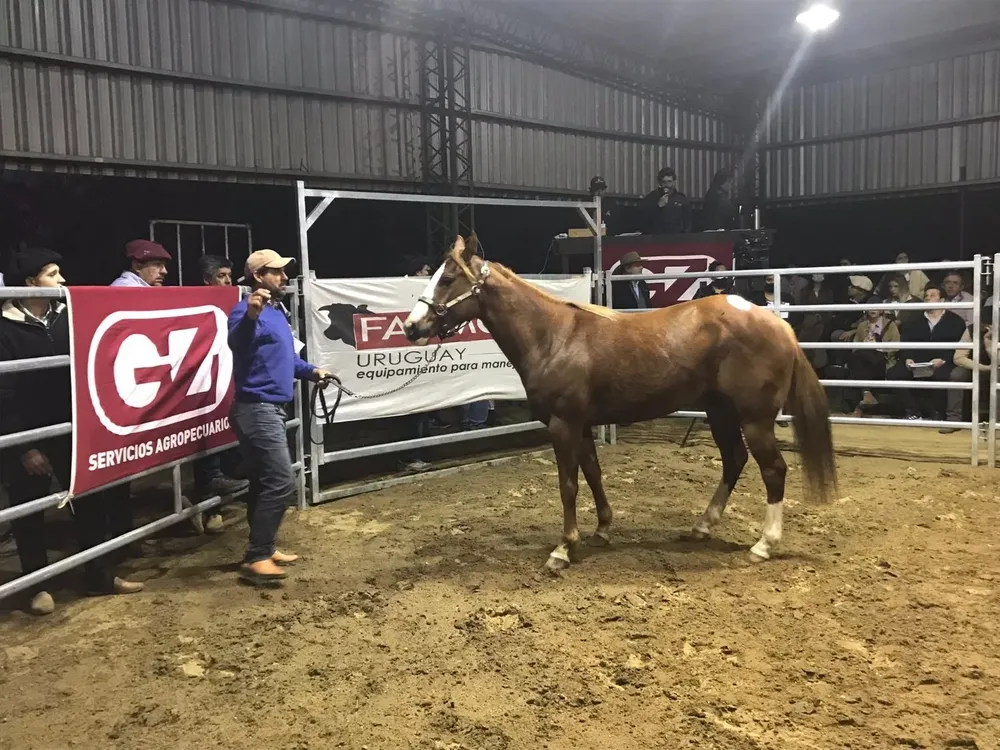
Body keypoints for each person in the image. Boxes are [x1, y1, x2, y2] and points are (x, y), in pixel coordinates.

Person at [0, 247, 143, 614]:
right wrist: (22, 447)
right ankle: (36, 585)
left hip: (73, 429)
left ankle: (99, 574)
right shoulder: (4, 327)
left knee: (89, 499)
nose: (62, 280)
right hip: (28, 434)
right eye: (53, 274)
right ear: (32, 283)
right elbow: (3, 394)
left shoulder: (70, 316)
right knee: (29, 509)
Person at [227, 249, 332, 585]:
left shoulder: (275, 313)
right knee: (281, 481)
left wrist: (311, 371)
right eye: (278, 272)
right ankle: (257, 556)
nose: (285, 277)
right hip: (256, 409)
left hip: (268, 408)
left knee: (263, 482)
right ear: (258, 276)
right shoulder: (246, 311)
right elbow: (236, 344)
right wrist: (251, 317)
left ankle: (263, 548)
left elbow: (285, 359)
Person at [193, 255, 250, 532]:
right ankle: (207, 507)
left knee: (225, 438)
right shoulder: (195, 304)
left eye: (229, 276)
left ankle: (213, 503)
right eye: (221, 276)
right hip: (202, 381)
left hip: (226, 377)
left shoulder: (237, 304)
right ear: (207, 280)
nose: (228, 281)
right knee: (204, 440)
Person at [885, 284, 967, 420]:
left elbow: (958, 346)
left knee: (942, 375)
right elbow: (905, 343)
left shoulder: (956, 321)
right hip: (917, 362)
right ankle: (912, 411)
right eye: (926, 296)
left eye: (932, 296)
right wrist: (908, 359)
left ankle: (936, 412)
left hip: (942, 361)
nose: (928, 299)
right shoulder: (913, 320)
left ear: (942, 300)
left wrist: (943, 360)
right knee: (894, 373)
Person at [848, 299, 900, 415]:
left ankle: (862, 403)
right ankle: (866, 395)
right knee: (858, 356)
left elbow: (896, 347)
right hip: (864, 362)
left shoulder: (891, 325)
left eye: (876, 307)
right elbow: (855, 347)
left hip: (883, 361)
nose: (873, 310)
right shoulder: (862, 326)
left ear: (881, 310)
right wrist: (865, 345)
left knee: (858, 358)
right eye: (870, 307)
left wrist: (877, 347)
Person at [639, 167, 691, 235]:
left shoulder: (681, 198)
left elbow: (687, 222)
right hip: (656, 239)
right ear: (660, 182)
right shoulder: (651, 197)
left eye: (669, 181)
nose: (667, 185)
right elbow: (645, 220)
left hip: (677, 239)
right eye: (664, 182)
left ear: (674, 182)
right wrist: (658, 206)